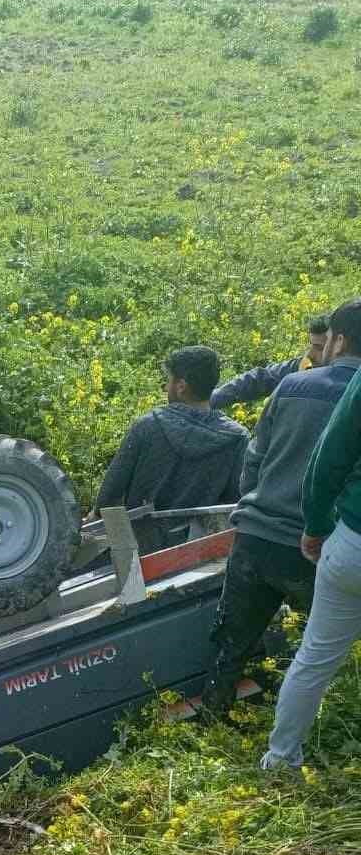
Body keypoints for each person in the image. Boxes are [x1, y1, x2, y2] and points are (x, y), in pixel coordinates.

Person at [203, 299, 361, 716]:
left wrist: (255, 507)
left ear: (338, 340)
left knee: (230, 646)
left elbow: (254, 458)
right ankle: (307, 728)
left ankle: (214, 717)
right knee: (317, 653)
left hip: (256, 536)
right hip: (318, 545)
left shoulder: (291, 385)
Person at [260, 315, 361, 770]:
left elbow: (329, 457)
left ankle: (280, 759)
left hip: (352, 543)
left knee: (315, 657)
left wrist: (317, 525)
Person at [94, 346, 248, 552]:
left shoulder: (148, 426)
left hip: (141, 550)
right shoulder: (237, 438)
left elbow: (109, 497)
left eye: (169, 381)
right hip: (200, 552)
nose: (166, 387)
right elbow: (235, 503)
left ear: (181, 386)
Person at [210, 314, 331, 410]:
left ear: (337, 346)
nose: (309, 354)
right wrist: (212, 398)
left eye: (319, 348)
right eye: (310, 345)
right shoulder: (303, 366)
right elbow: (261, 378)